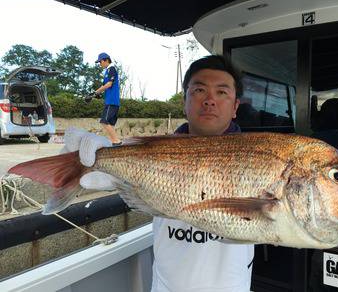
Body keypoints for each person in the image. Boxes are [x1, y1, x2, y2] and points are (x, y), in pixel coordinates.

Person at [63, 55, 254, 292]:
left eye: (222, 92)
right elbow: (122, 181)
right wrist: (97, 161)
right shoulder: (152, 151)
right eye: (199, 90)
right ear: (184, 101)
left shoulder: (256, 157)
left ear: (236, 107)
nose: (210, 100)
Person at [94, 52, 122, 146]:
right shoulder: (107, 71)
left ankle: (116, 141)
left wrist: (96, 92)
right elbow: (104, 86)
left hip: (112, 101)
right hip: (110, 101)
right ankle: (113, 142)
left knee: (104, 121)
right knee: (110, 123)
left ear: (106, 60)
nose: (100, 64)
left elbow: (109, 84)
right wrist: (95, 94)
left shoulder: (112, 69)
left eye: (100, 62)